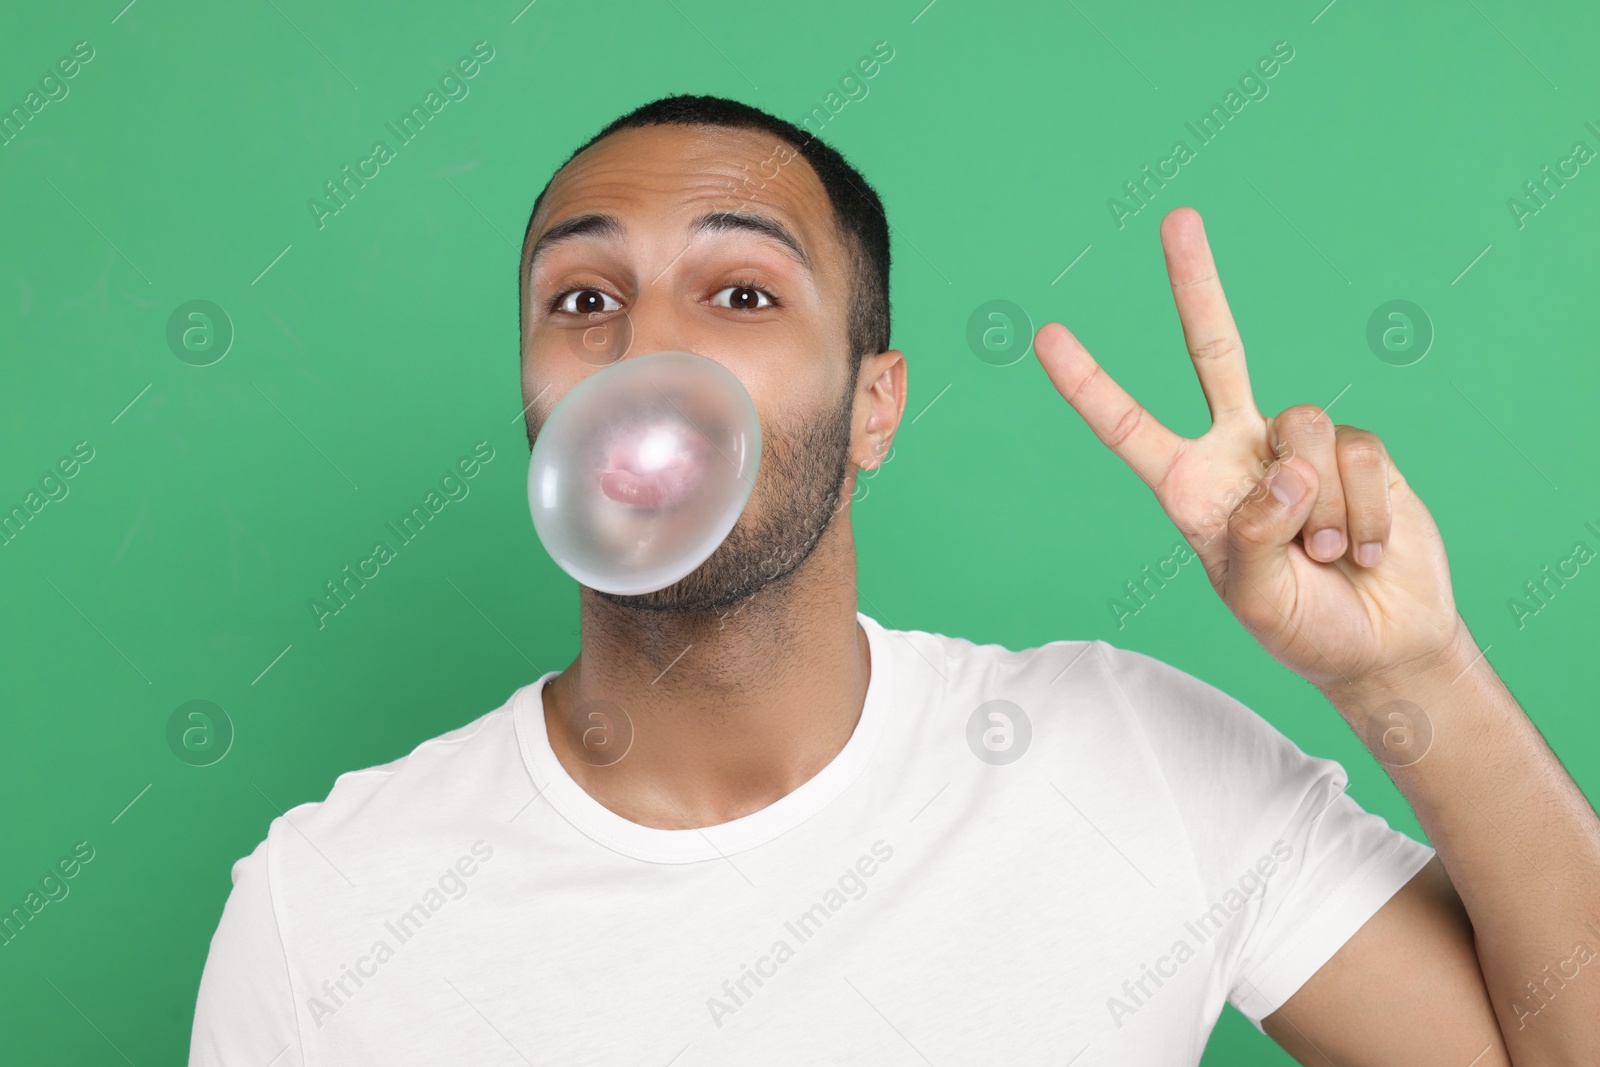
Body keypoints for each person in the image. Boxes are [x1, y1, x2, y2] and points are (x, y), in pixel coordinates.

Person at [190, 94, 1600, 1065]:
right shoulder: (327, 909)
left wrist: (1406, 670)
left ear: (878, 405)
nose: (645, 355)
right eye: (582, 302)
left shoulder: (1130, 767)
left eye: (743, 294)